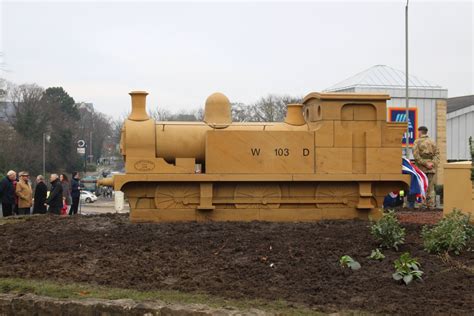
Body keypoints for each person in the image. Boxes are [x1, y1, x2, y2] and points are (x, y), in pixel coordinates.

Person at [413, 126, 440, 208]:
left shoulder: (417, 142)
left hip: (421, 169)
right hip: (431, 169)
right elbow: (437, 155)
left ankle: (421, 204)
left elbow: (416, 156)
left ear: (420, 132)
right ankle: (431, 205)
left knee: (421, 186)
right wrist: (431, 164)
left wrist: (425, 163)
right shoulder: (432, 142)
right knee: (431, 188)